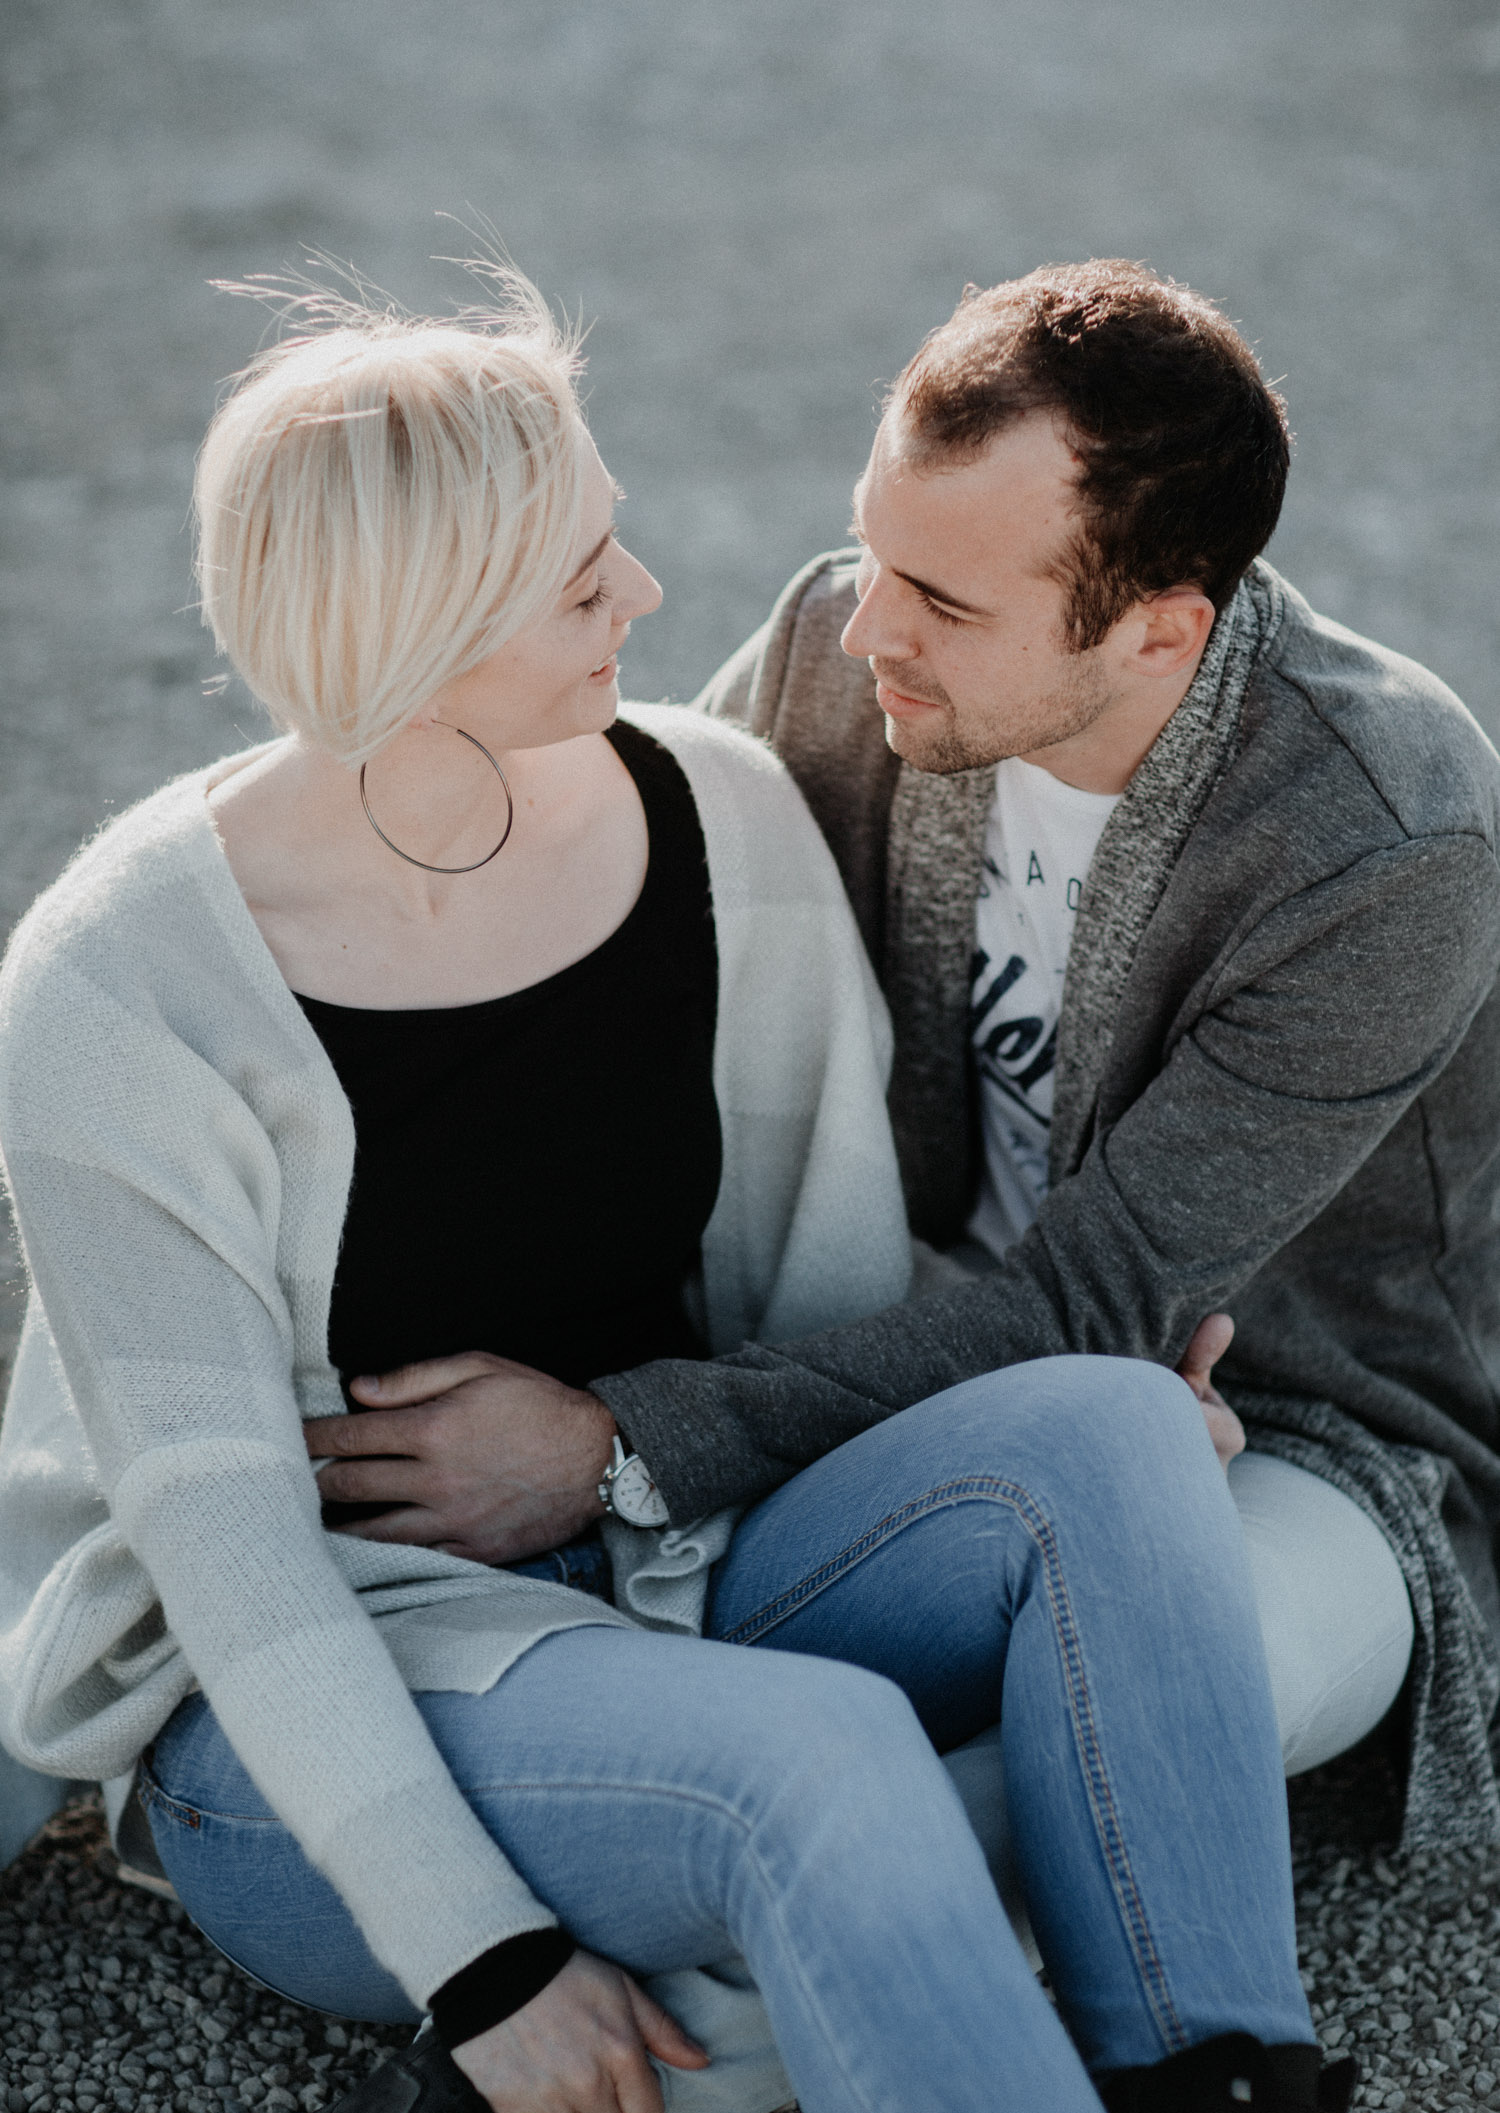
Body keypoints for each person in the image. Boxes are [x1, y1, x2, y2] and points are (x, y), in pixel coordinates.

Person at [0, 273, 1345, 2113]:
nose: (646, 592)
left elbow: (826, 1299)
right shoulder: (120, 986)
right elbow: (228, 1562)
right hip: (322, 1712)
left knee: (1117, 1431)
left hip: (679, 1561)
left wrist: (1089, 1419)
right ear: (425, 626)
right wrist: (486, 1969)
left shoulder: (715, 813)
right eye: (580, 581)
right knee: (830, 1763)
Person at [348, 261, 1500, 1870]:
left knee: (1158, 1688)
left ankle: (661, 1974)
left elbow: (1092, 1304)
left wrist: (612, 1444)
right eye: (875, 550)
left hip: (1279, 1430)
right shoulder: (840, 645)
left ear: (1162, 631)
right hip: (865, 1331)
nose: (865, 625)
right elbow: (612, 959)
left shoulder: (1383, 840)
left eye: (946, 604)